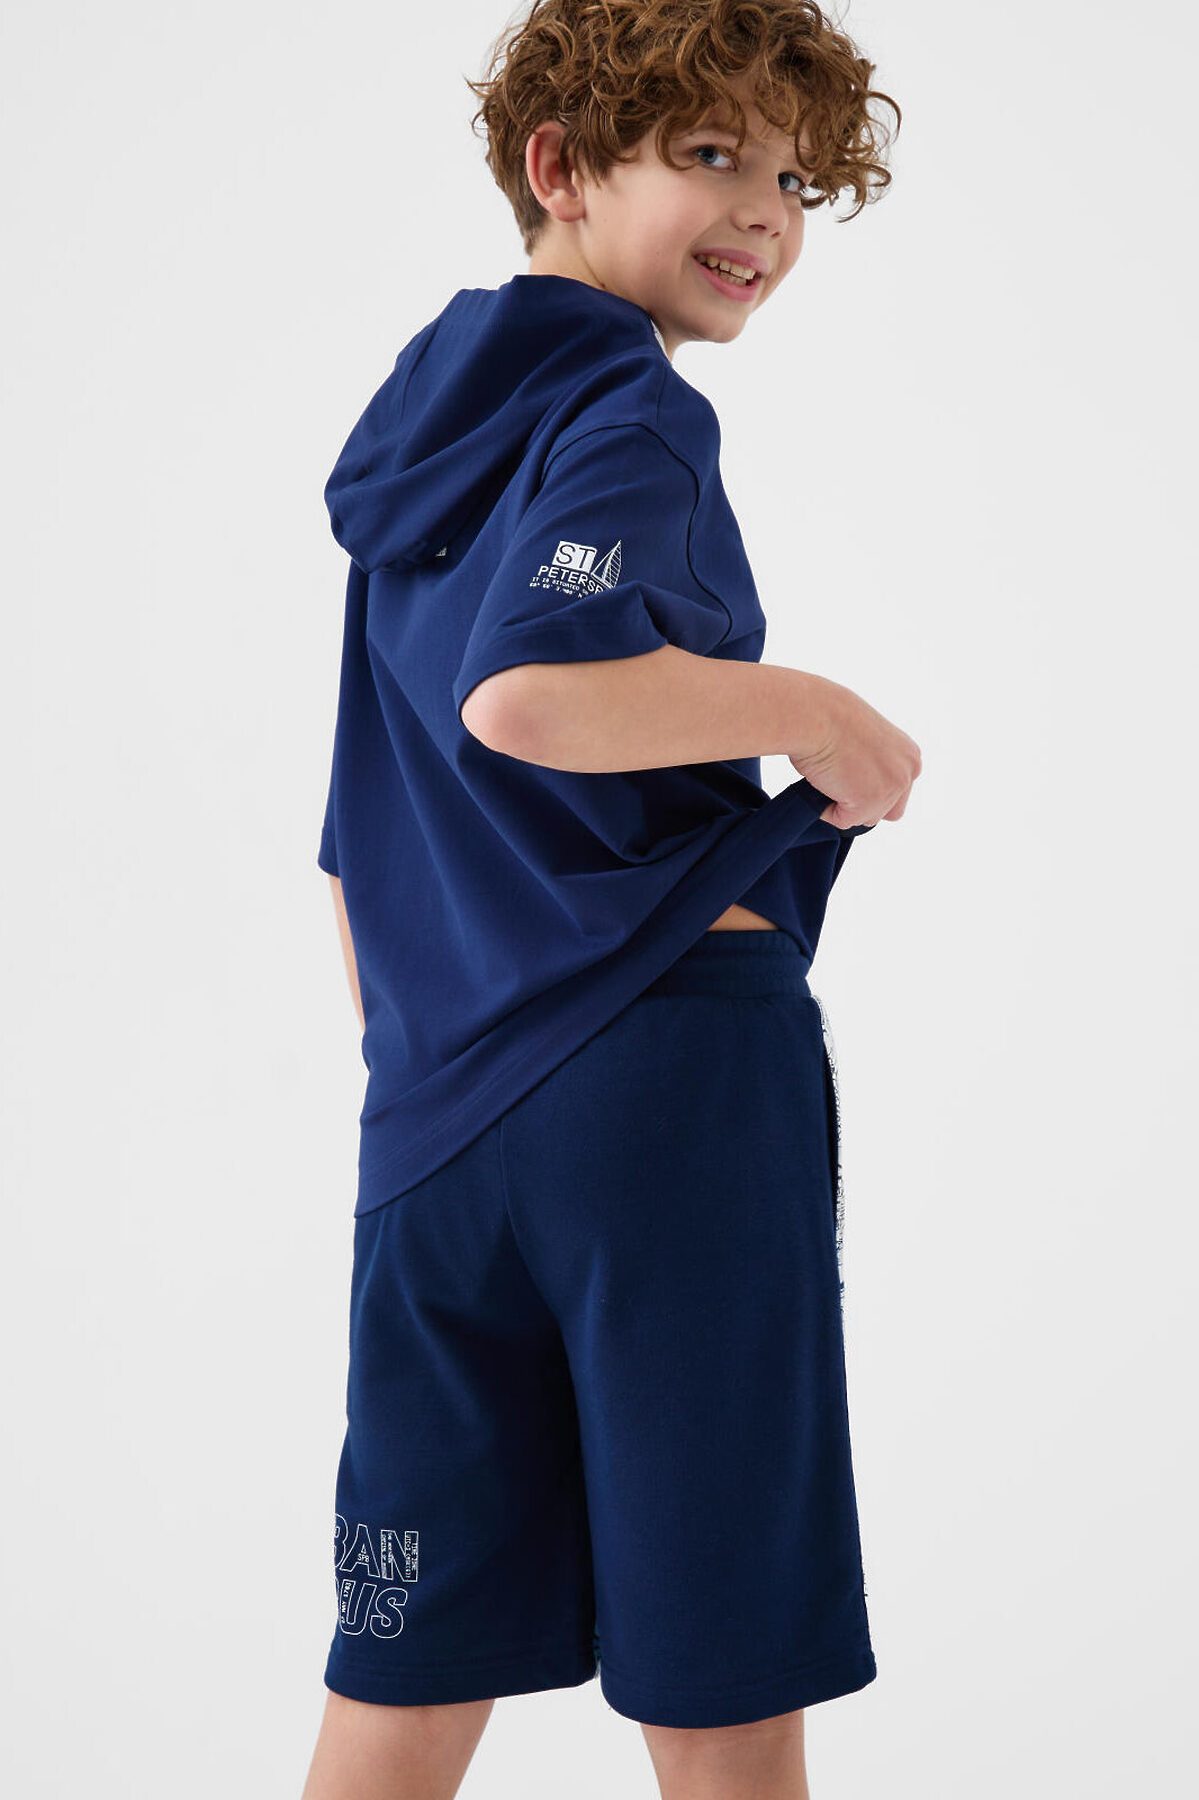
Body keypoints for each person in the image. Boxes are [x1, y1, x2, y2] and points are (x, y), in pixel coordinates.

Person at [302, 3, 918, 1795]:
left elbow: (352, 840)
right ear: (560, 167)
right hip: (663, 1099)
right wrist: (824, 717)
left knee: (404, 1671)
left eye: (792, 177)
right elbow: (534, 692)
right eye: (714, 155)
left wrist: (443, 1075)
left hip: (436, 1133)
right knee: (721, 1677)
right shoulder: (628, 406)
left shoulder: (420, 448)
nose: (766, 214)